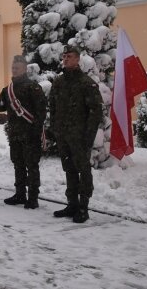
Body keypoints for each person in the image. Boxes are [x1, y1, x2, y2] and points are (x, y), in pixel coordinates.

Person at [49, 45, 103, 223]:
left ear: (78, 59)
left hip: (80, 137)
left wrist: (88, 137)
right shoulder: (59, 82)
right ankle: (72, 203)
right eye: (64, 56)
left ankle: (83, 207)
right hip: (64, 136)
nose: (65, 59)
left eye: (69, 56)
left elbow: (95, 113)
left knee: (83, 170)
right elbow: (53, 107)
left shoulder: (86, 83)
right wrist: (55, 129)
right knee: (69, 170)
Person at [0, 56, 46, 208]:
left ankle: (33, 198)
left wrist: (35, 131)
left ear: (24, 68)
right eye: (13, 67)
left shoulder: (33, 87)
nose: (14, 69)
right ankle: (20, 194)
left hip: (30, 135)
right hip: (15, 134)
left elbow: (41, 112)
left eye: (17, 67)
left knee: (32, 166)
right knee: (18, 165)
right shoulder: (7, 90)